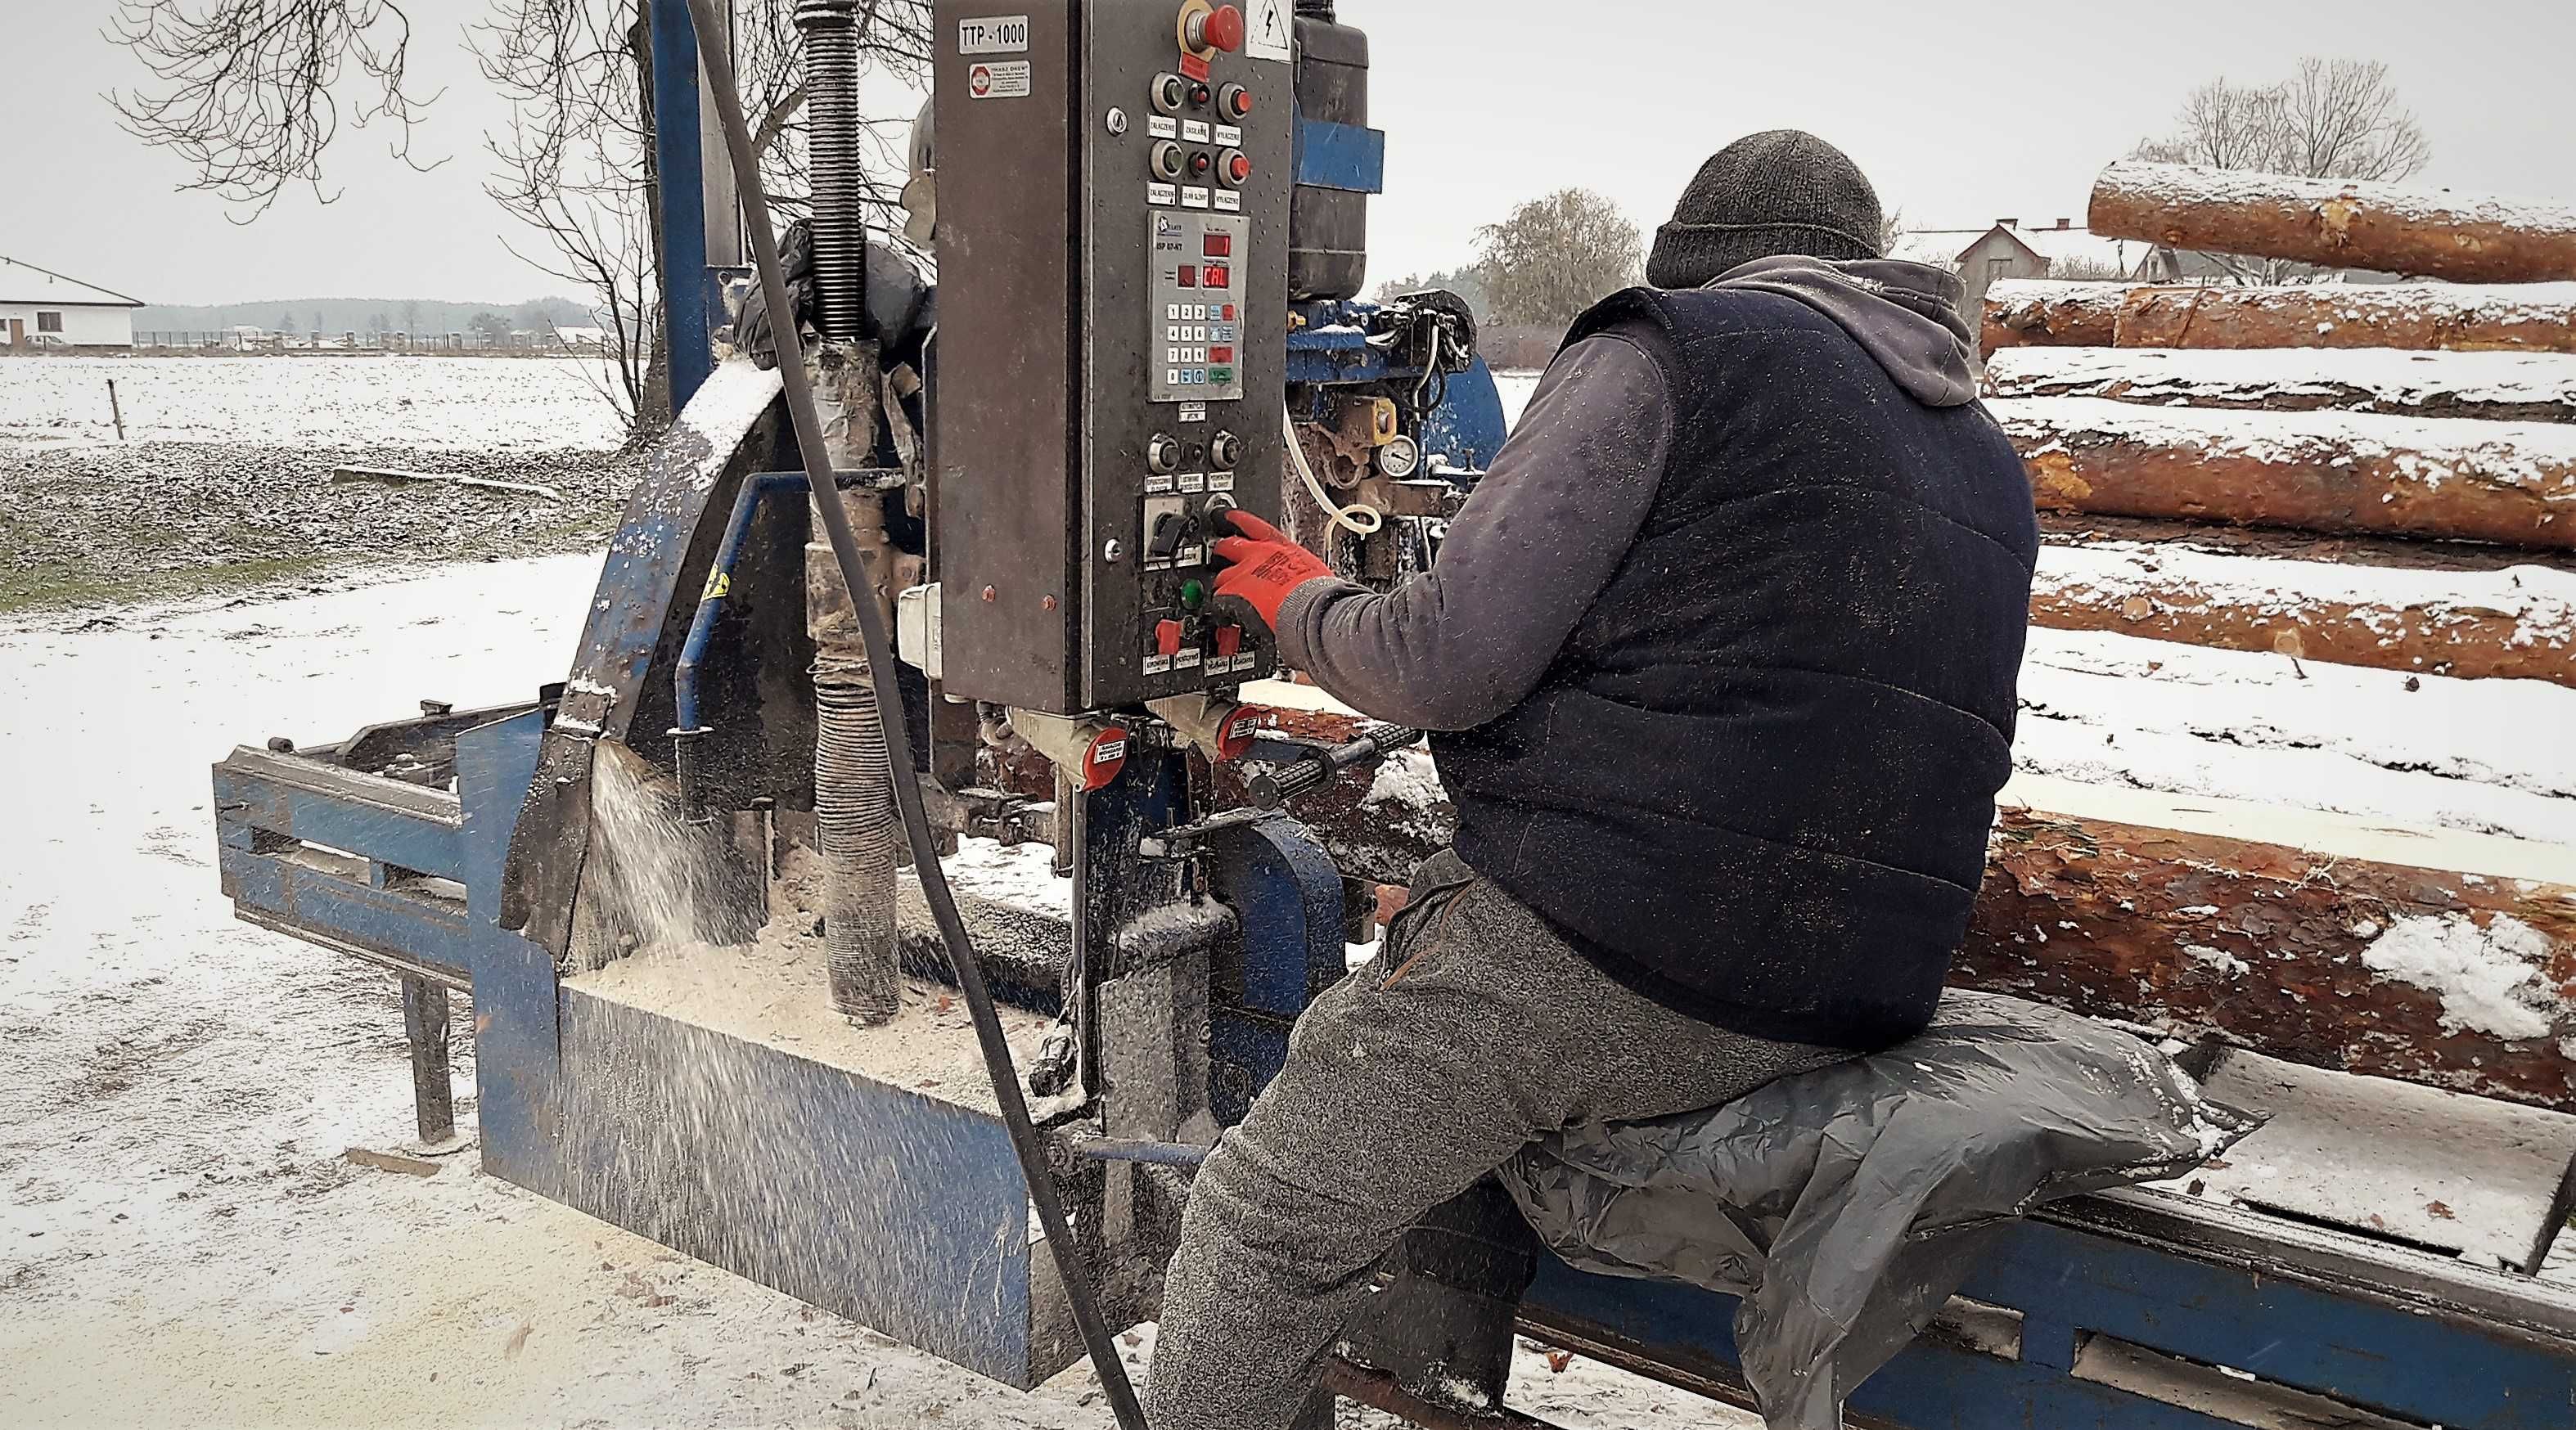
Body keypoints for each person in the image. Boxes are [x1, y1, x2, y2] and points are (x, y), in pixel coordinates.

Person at [1146, 130, 2040, 1429]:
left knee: (1265, 1215)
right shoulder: (1985, 454)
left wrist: (1298, 596)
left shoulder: (1672, 350)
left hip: (1636, 952)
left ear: (1696, 261)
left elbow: (1446, 656)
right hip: (1865, 987)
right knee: (1450, 1070)